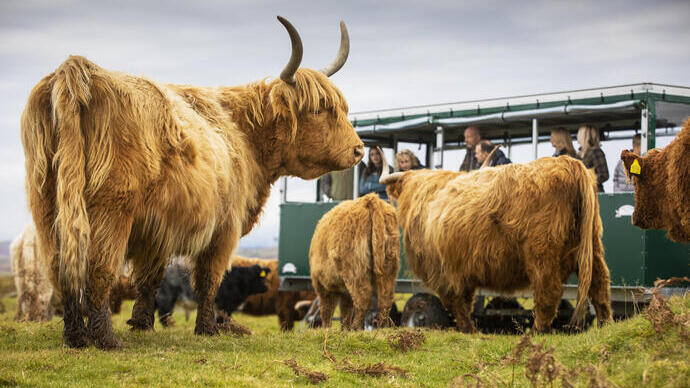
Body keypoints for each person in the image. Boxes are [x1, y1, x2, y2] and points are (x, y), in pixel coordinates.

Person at [577, 125, 609, 192]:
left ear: (586, 136)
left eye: (580, 133)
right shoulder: (578, 154)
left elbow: (604, 175)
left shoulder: (596, 152)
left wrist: (588, 180)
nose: (578, 135)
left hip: (594, 192)